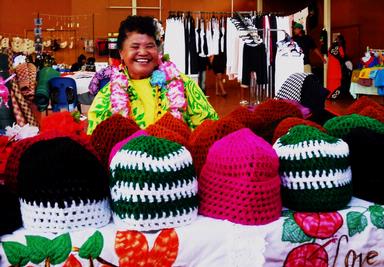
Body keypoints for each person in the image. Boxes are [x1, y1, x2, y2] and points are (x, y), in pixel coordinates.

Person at [87, 16, 218, 134]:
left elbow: (209, 129)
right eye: (135, 47)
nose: (143, 52)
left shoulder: (182, 83)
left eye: (150, 46)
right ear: (121, 52)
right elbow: (97, 141)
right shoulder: (106, 96)